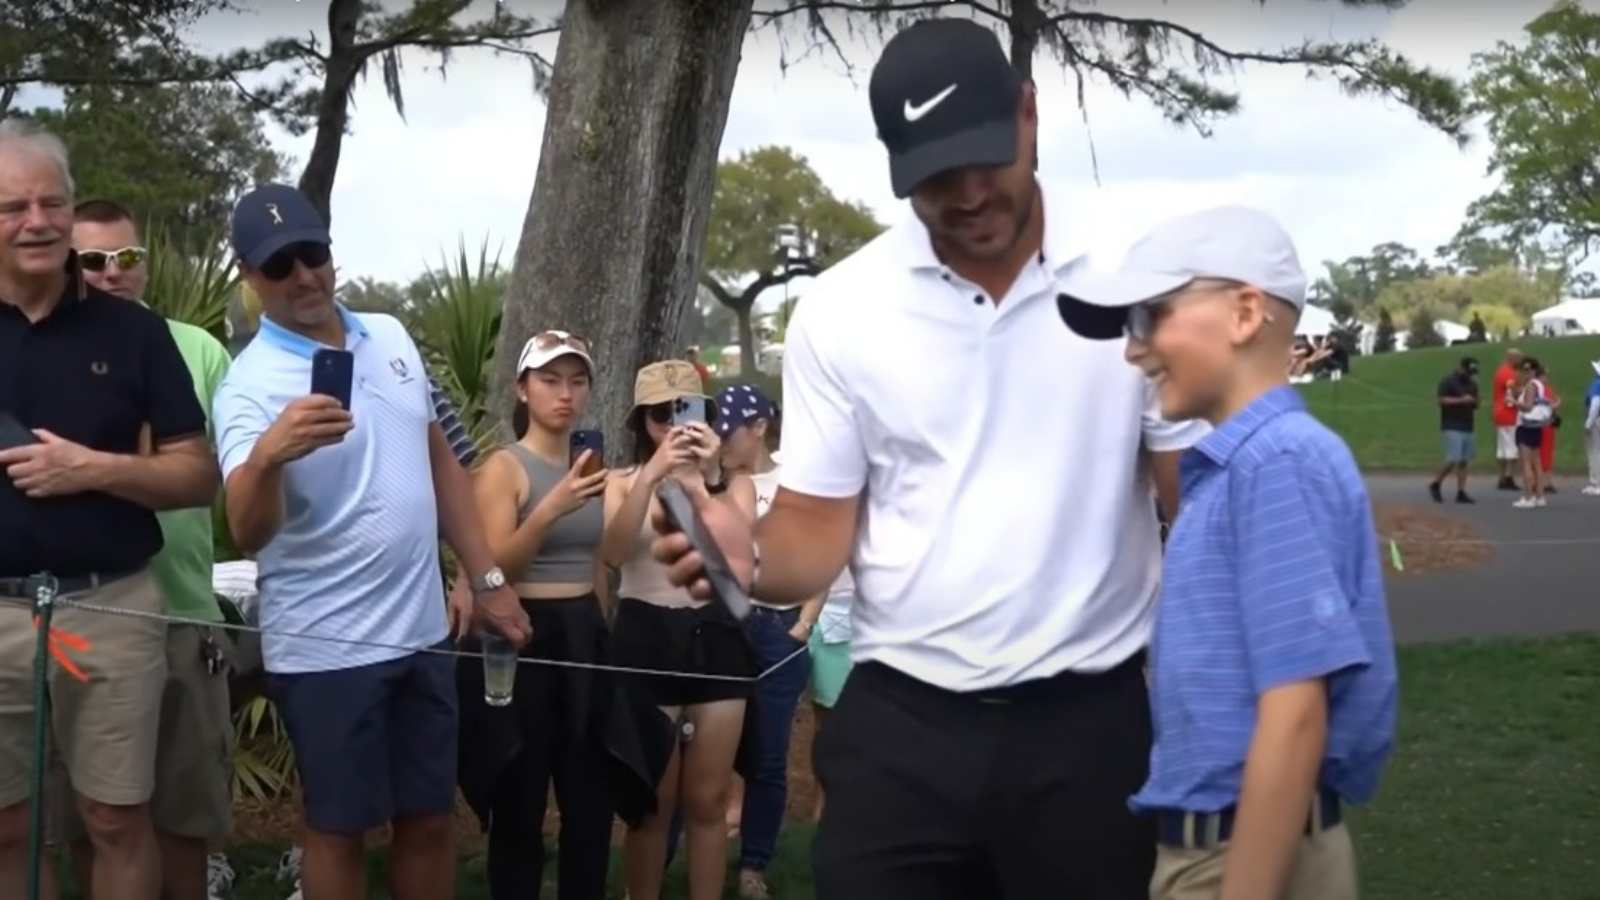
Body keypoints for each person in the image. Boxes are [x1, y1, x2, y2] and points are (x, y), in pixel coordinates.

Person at [649, 19, 1206, 899]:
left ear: (1029, 115)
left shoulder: (1137, 271)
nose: (969, 194)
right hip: (901, 725)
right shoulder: (843, 309)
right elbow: (815, 530)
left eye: (986, 159)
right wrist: (747, 547)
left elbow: (1196, 501)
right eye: (937, 177)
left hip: (1087, 727)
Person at [1057, 206, 1398, 900]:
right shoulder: (1241, 465)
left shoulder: (1274, 464)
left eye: (1150, 316)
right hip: (1223, 847)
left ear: (1245, 313)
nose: (1132, 349)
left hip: (1238, 854)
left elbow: (1295, 711)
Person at [212, 183, 530, 900]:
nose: (302, 276)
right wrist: (268, 457)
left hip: (420, 635)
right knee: (339, 829)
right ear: (249, 277)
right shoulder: (249, 386)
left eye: (311, 253)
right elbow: (247, 526)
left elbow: (439, 459)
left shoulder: (388, 335)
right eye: (278, 265)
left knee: (427, 821)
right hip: (326, 648)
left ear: (330, 251)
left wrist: (486, 577)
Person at [0, 119, 218, 900]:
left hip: (113, 603)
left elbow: (198, 477)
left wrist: (90, 468)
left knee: (116, 818)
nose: (36, 221)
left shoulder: (136, 332)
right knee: (7, 826)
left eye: (50, 202)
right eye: (13, 206)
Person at [60, 199, 237, 900]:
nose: (111, 273)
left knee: (182, 822)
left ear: (146, 264)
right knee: (91, 820)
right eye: (93, 261)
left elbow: (224, 470)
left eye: (126, 259)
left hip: (183, 611)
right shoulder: (43, 349)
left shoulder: (200, 350)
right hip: (80, 614)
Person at [458, 330, 613, 900]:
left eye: (577, 381)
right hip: (523, 636)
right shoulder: (505, 468)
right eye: (550, 380)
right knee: (520, 800)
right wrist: (548, 511)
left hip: (583, 634)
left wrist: (601, 624)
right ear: (523, 389)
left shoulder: (590, 464)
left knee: (589, 800)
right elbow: (493, 568)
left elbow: (597, 557)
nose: (565, 394)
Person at [602, 360, 755, 900]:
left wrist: (704, 481)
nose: (673, 425)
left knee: (709, 802)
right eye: (659, 415)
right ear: (642, 423)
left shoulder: (734, 488)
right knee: (651, 803)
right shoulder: (620, 482)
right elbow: (614, 553)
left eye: (684, 411)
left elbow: (737, 566)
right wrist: (651, 475)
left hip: (717, 637)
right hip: (646, 635)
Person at [712, 383, 819, 900]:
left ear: (758, 427)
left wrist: (804, 623)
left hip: (778, 627)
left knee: (769, 756)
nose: (721, 440)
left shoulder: (791, 482)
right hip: (722, 625)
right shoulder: (712, 484)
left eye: (728, 430)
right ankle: (668, 857)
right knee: (702, 748)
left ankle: (753, 865)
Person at [1429, 356, 1479, 504]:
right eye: (1468, 371)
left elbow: (1476, 402)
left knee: (1464, 461)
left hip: (1468, 424)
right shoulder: (1448, 381)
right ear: (1461, 368)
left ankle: (1461, 491)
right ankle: (1436, 483)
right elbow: (1441, 400)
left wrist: (1474, 401)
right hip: (1451, 424)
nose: (1470, 375)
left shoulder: (1473, 384)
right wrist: (1461, 400)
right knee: (1453, 458)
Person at [1512, 357, 1556, 509]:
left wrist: (1514, 401)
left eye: (1526, 370)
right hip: (1535, 427)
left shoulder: (1531, 385)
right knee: (1536, 462)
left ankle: (1528, 497)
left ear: (1531, 371)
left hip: (1525, 426)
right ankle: (1540, 496)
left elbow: (1528, 407)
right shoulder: (1540, 385)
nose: (1524, 373)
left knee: (1526, 463)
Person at [1492, 348, 1525, 490]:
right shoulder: (1509, 374)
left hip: (1499, 413)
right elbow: (1513, 392)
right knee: (1512, 447)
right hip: (1509, 413)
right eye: (1519, 359)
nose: (1522, 362)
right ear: (1512, 358)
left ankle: (1501, 477)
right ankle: (1508, 477)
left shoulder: (1501, 371)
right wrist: (1526, 388)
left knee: (1502, 448)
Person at [1540, 375, 1561, 493]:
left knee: (1548, 455)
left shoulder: (1547, 389)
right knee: (1542, 455)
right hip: (1543, 426)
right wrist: (1556, 404)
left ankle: (1547, 481)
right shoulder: (1539, 390)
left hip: (1549, 427)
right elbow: (1547, 406)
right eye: (1544, 376)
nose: (1547, 378)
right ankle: (1542, 483)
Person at [1585, 360, 1600, 496]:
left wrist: (1588, 423)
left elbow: (1595, 404)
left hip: (1597, 421)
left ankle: (1596, 483)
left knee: (1595, 451)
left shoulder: (1597, 384)